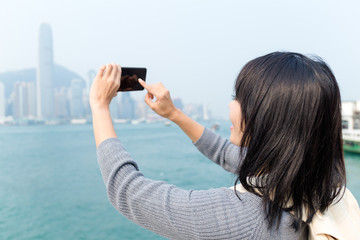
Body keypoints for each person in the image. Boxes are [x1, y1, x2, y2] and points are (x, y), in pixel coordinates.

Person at [89, 52, 360, 239]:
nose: (230, 106)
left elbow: (127, 192)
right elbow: (225, 153)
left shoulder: (249, 220)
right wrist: (174, 114)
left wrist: (100, 107)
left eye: (237, 99)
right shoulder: (315, 178)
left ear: (266, 118)